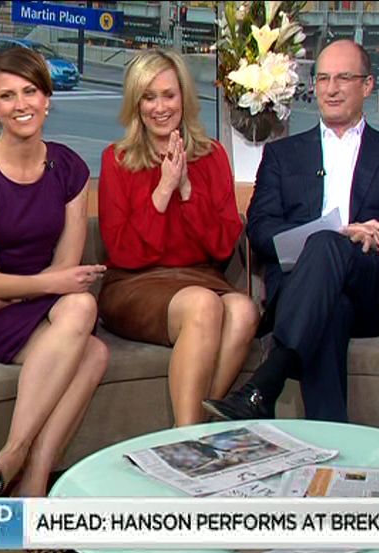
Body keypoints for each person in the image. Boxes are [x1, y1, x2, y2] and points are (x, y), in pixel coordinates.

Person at [203, 40, 379, 422]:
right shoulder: (283, 154)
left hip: (374, 288)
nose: (331, 89)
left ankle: (268, 381)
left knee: (331, 247)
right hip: (304, 286)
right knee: (331, 300)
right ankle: (330, 441)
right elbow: (260, 228)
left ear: (368, 85)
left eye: (343, 78)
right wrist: (323, 236)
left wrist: (377, 238)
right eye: (323, 78)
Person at [0, 47, 108, 553]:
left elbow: (67, 268)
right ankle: (31, 485)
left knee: (82, 313)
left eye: (30, 91)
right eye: (7, 96)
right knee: (91, 347)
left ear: (47, 99)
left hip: (31, 299)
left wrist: (26, 289)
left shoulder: (69, 167)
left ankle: (20, 468)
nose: (21, 105)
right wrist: (11, 290)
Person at [97, 48, 259, 426]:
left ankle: (193, 428)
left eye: (168, 95)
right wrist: (163, 189)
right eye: (148, 97)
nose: (160, 107)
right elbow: (122, 252)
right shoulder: (117, 159)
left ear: (183, 97)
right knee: (204, 305)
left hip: (199, 277)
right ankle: (187, 436)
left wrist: (186, 189)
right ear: (136, 104)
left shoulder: (212, 156)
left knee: (244, 311)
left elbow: (223, 245)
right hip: (135, 283)